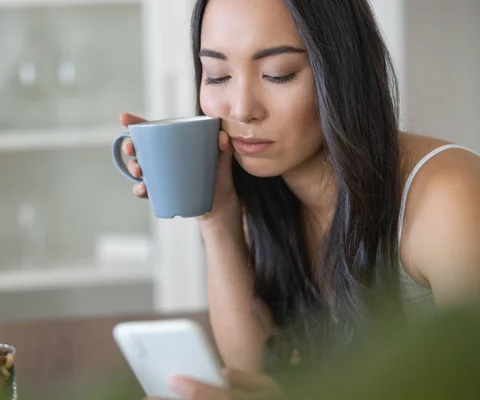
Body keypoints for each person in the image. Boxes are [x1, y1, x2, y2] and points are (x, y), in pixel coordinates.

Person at [120, 0, 480, 398]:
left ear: (343, 72)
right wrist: (216, 217)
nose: (242, 110)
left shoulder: (450, 197)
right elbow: (251, 371)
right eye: (218, 75)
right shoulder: (268, 192)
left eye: (278, 74)